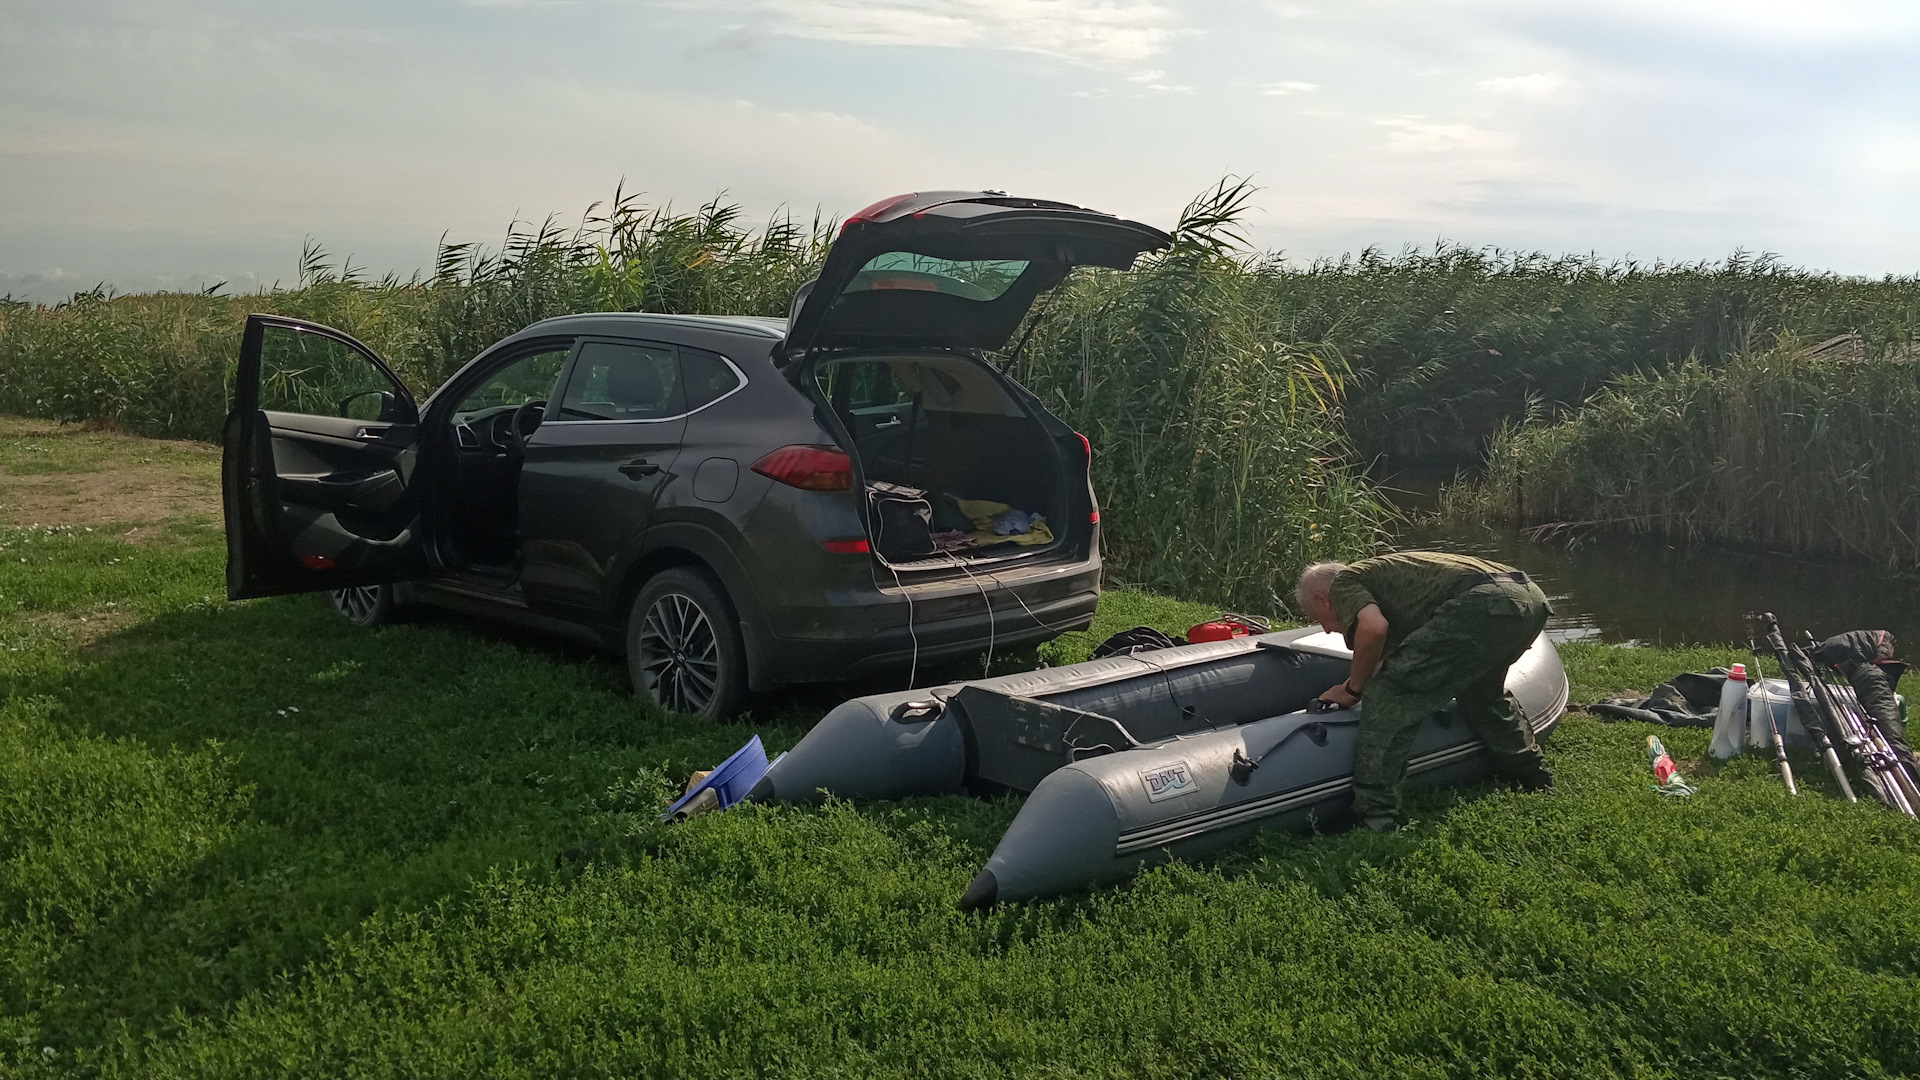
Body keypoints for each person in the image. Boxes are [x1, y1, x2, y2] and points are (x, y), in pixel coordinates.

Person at [1295, 552, 1555, 832]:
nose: (1325, 629)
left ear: (1323, 599)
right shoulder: (1383, 582)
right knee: (1481, 689)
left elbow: (1373, 628)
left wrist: (1352, 690)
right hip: (1529, 600)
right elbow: (1391, 654)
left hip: (1482, 604)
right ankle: (1531, 773)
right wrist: (1359, 679)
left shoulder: (1344, 583)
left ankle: (1376, 815)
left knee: (1388, 693)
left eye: (1316, 618)